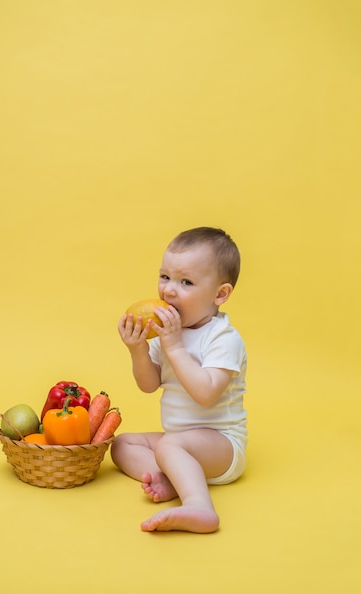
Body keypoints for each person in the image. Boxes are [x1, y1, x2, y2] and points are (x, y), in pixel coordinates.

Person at [111, 227, 247, 533]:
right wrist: (138, 350)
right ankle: (175, 479)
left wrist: (173, 347)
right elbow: (149, 384)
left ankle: (200, 506)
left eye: (185, 282)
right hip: (179, 444)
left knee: (171, 445)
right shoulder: (167, 331)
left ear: (220, 294)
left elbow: (206, 394)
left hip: (222, 446)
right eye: (165, 277)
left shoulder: (223, 338)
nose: (169, 290)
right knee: (121, 445)